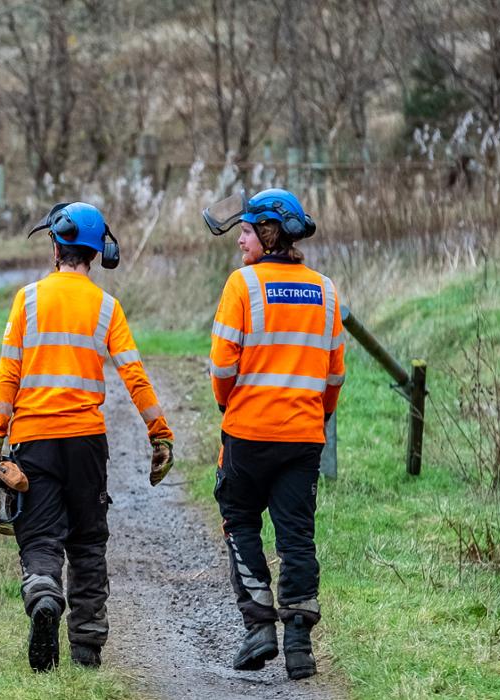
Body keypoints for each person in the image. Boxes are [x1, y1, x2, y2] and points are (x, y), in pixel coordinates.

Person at [0, 201, 175, 672]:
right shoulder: (107, 307)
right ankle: (87, 647)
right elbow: (134, 376)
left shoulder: (26, 300)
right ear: (95, 253)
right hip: (87, 443)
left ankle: (44, 592)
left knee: (40, 533)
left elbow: (9, 373)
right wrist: (159, 434)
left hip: (34, 442)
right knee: (88, 542)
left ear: (56, 245)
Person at [203, 188, 345, 680]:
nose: (240, 240)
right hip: (304, 437)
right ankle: (300, 646)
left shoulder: (242, 286)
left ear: (267, 234)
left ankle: (260, 626)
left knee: (239, 516)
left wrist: (228, 404)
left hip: (247, 433)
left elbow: (222, 366)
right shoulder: (326, 290)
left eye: (246, 231)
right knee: (297, 536)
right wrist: (315, 418)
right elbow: (334, 377)